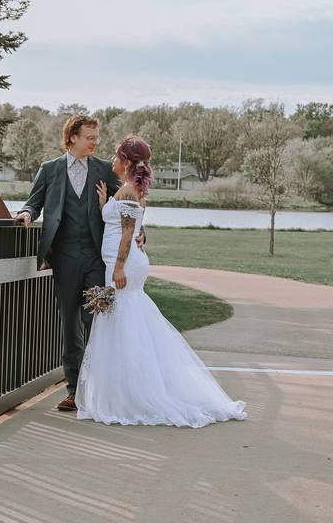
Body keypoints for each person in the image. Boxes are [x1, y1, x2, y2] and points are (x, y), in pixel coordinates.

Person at [75, 135, 247, 427]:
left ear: (126, 162)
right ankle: (125, 390)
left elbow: (129, 234)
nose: (113, 160)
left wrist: (118, 267)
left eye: (117, 156)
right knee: (127, 321)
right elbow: (131, 225)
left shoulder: (129, 191)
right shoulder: (128, 190)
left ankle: (133, 395)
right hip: (122, 263)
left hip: (124, 266)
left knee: (124, 322)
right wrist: (106, 203)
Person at [13, 114, 122, 411]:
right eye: (89, 136)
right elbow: (34, 201)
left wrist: (138, 234)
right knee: (69, 325)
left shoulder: (103, 169)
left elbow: (124, 204)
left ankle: (98, 389)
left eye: (96, 137)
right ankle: (74, 390)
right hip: (63, 258)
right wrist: (26, 214)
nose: (95, 142)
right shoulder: (50, 170)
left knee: (95, 321)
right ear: (72, 137)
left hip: (96, 259)